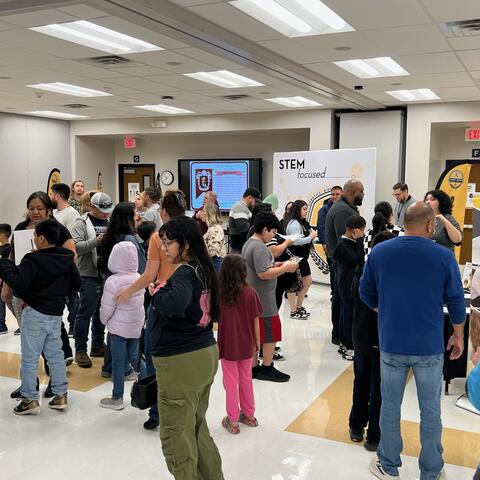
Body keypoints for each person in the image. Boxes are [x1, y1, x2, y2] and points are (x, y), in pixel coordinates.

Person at [359, 202, 466, 480]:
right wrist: (458, 336)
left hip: (392, 343)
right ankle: (431, 471)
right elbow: (456, 301)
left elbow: (365, 292)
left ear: (405, 222)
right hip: (429, 346)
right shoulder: (444, 257)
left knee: (389, 406)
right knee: (430, 410)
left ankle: (388, 464)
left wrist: (387, 311)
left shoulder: (381, 252)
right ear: (431, 225)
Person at [150, 216, 224, 480]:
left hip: (180, 361)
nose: (165, 248)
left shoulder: (183, 272)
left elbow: (174, 304)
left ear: (186, 244)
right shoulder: (203, 269)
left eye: (169, 242)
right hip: (204, 353)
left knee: (176, 434)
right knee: (196, 426)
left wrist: (157, 294)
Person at [115, 189, 186, 431]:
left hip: (161, 301)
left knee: (154, 357)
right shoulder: (192, 234)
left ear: (163, 212)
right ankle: (178, 411)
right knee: (180, 359)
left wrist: (127, 292)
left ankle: (156, 412)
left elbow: (149, 275)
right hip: (187, 305)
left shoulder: (158, 238)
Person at [0, 219, 80, 415]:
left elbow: (19, 284)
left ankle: (29, 399)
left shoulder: (32, 260)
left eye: (35, 235)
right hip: (55, 314)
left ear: (41, 239)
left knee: (30, 358)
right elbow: (75, 284)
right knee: (55, 355)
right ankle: (61, 394)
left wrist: (5, 265)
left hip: (34, 313)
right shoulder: (67, 259)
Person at [349, 230, 394, 452]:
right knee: (378, 388)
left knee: (361, 382)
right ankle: (374, 435)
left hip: (360, 336)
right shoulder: (385, 278)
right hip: (380, 338)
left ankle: (356, 426)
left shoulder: (360, 271)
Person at [242, 212, 298, 382]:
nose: (274, 236)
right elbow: (263, 273)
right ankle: (267, 367)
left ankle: (253, 368)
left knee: (255, 334)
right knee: (270, 334)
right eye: (273, 232)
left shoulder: (249, 244)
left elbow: (260, 267)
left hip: (254, 298)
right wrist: (286, 268)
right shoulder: (259, 247)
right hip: (264, 301)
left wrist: (276, 264)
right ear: (265, 229)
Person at [98, 202, 146, 379]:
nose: (137, 216)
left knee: (114, 329)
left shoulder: (110, 236)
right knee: (127, 333)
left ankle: (109, 366)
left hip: (111, 287)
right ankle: (125, 369)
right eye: (135, 213)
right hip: (130, 290)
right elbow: (141, 267)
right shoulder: (129, 240)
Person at [217, 254, 261, 434]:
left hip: (227, 344)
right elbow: (256, 319)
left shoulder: (220, 294)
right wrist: (257, 341)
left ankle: (233, 420)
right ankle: (249, 415)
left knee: (230, 382)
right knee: (246, 378)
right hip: (247, 343)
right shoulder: (250, 292)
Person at [70, 192, 113, 368]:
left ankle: (97, 344)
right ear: (92, 207)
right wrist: (96, 241)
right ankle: (80, 350)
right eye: (102, 210)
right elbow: (76, 247)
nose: (106, 213)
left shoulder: (110, 223)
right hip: (87, 273)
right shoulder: (80, 223)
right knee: (85, 311)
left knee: (102, 311)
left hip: (107, 273)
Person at [99, 242, 144, 410]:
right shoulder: (139, 277)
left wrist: (104, 321)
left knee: (118, 362)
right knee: (135, 356)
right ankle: (149, 382)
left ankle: (117, 397)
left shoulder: (113, 281)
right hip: (135, 326)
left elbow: (107, 307)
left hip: (117, 329)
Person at [325, 180, 364, 346]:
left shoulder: (346, 207)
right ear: (354, 192)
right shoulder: (342, 210)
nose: (364, 195)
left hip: (342, 262)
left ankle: (341, 333)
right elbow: (347, 239)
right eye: (362, 191)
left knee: (342, 299)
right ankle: (340, 335)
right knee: (342, 299)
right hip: (342, 264)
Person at [334, 214, 366, 361]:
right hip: (347, 286)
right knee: (347, 317)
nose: (364, 234)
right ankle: (347, 345)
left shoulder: (346, 243)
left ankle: (345, 342)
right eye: (362, 231)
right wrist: (360, 240)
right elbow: (358, 260)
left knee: (347, 315)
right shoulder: (344, 245)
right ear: (355, 231)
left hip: (347, 284)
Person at [50, 183, 80, 336]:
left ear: (57, 196)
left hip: (65, 260)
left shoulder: (72, 213)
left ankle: (73, 323)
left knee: (71, 296)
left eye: (51, 194)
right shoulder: (53, 212)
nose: (50, 197)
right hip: (52, 260)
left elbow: (72, 240)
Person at [284, 200, 317, 319]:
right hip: (294, 257)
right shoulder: (293, 223)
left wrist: (311, 236)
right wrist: (310, 238)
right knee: (294, 283)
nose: (306, 212)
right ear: (297, 210)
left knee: (306, 281)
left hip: (301, 258)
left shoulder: (301, 222)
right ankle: (294, 310)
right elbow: (296, 241)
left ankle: (298, 307)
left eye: (306, 209)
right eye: (304, 209)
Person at [229, 187, 262, 253]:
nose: (256, 203)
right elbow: (244, 229)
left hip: (242, 248)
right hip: (239, 250)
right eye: (256, 200)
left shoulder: (244, 208)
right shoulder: (239, 208)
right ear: (250, 197)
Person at [201, 203, 226, 273]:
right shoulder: (211, 228)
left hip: (216, 263)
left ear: (209, 213)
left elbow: (213, 251)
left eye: (203, 211)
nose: (201, 213)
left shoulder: (216, 229)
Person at [0, 223, 13, 334]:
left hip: (4, 281)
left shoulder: (7, 249)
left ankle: (1, 326)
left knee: (2, 303)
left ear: (2, 235)